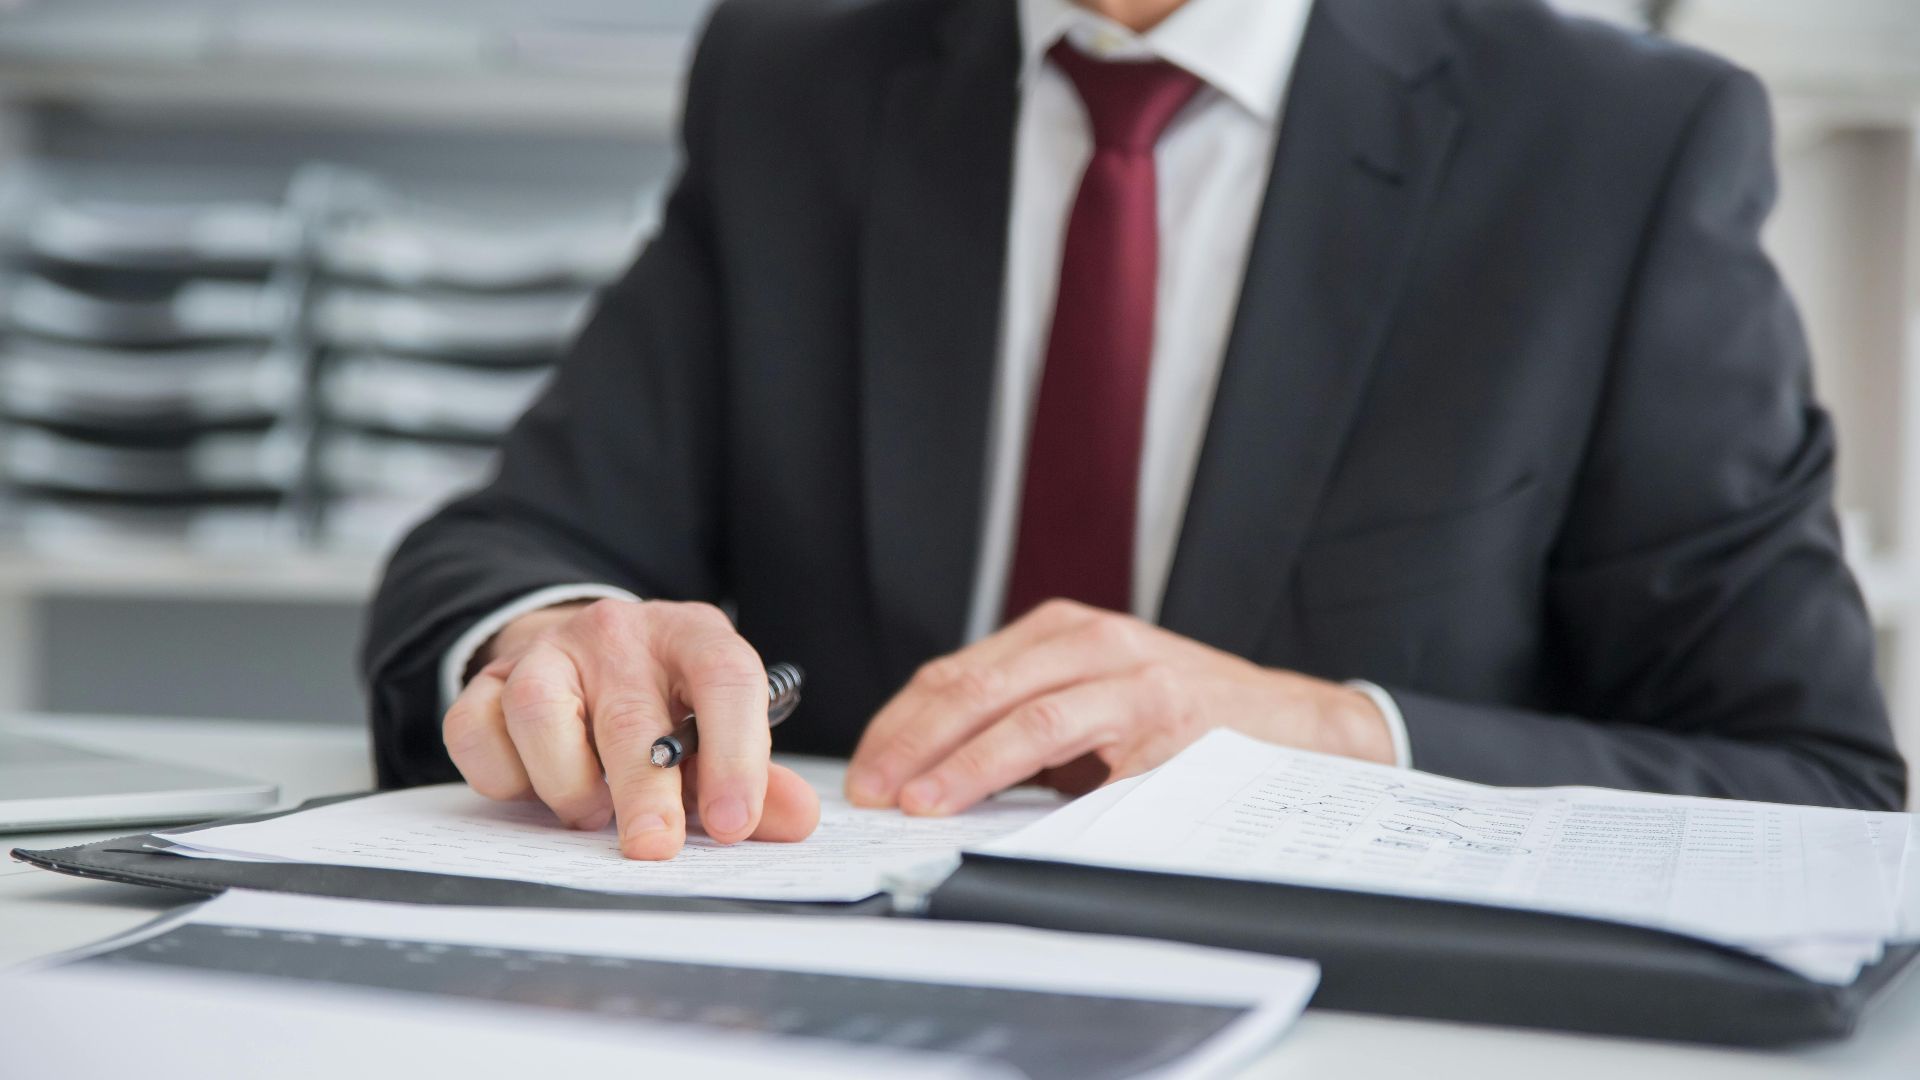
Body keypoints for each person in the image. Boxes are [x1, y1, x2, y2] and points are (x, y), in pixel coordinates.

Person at [362, 0, 1907, 860]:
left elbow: (1814, 784)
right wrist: (565, 637)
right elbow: (507, 543)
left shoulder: (1614, 146)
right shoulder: (801, 80)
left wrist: (1322, 731)